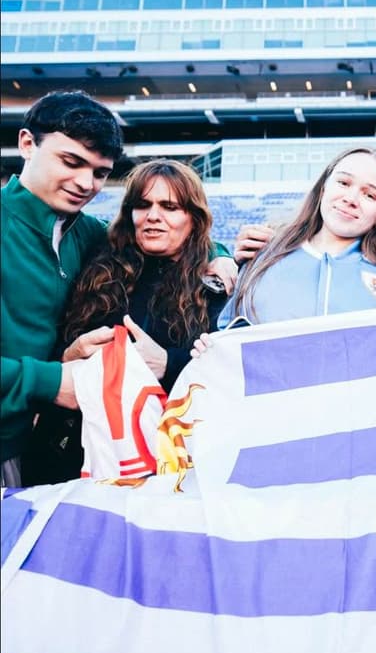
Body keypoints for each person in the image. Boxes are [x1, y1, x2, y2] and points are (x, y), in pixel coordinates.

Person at [1, 90, 235, 488]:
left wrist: (220, 254)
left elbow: (167, 233)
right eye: (70, 162)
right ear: (27, 144)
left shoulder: (85, 232)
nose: (84, 183)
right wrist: (53, 378)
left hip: (30, 446)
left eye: (99, 172)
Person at [217, 147, 376, 328]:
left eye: (370, 195)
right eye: (343, 183)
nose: (350, 199)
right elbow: (228, 336)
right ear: (324, 188)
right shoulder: (262, 256)